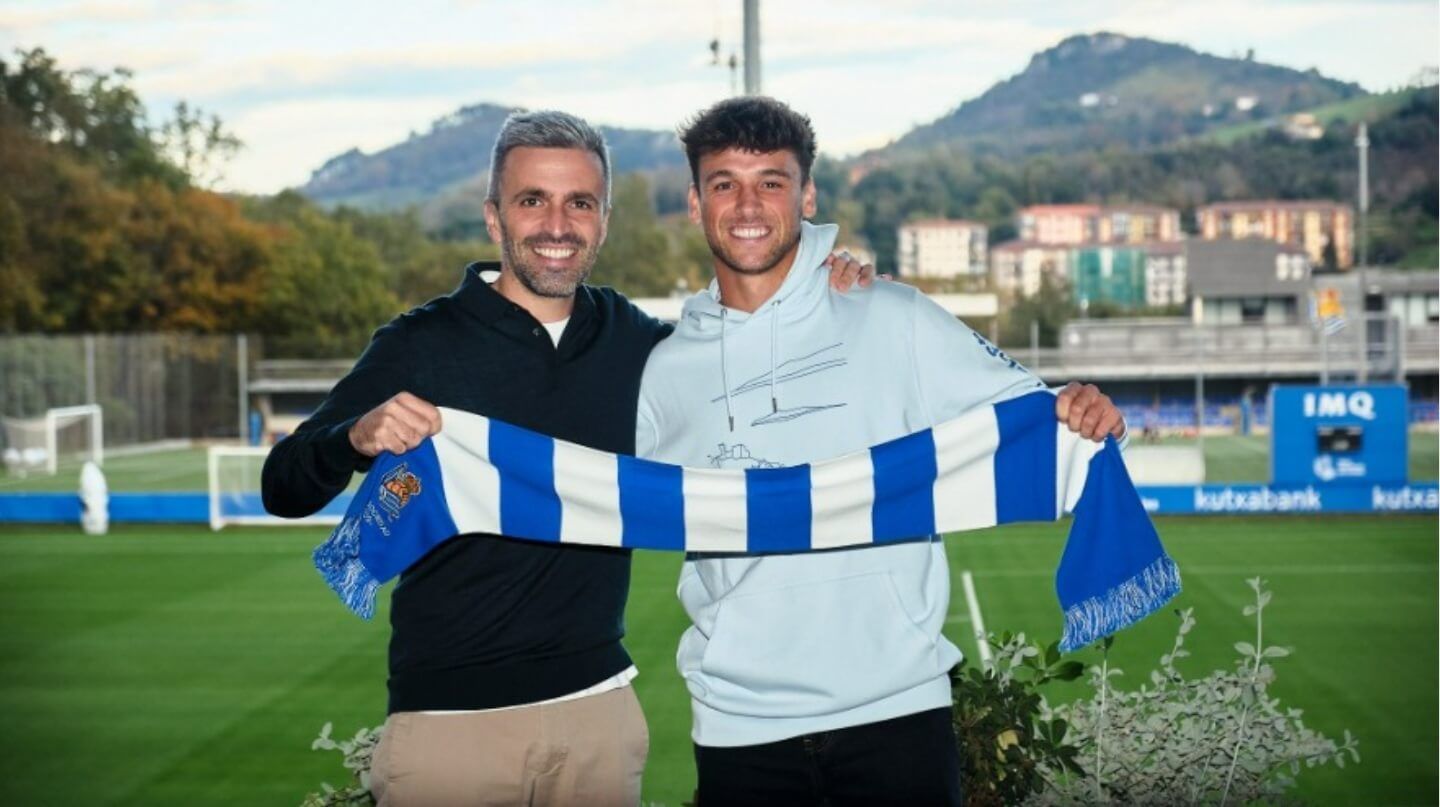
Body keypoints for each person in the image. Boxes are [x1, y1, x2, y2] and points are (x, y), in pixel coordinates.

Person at [260, 109, 872, 807]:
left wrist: (830, 298)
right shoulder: (419, 343)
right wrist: (354, 435)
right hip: (450, 725)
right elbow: (283, 486)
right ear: (495, 217)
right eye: (532, 201)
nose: (557, 224)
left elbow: (756, 375)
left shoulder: (636, 342)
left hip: (598, 719)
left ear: (604, 219)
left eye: (579, 202)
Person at [635, 96, 1124, 807]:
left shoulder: (894, 317)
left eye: (771, 182)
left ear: (807, 195)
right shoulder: (662, 369)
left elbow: (1041, 416)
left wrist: (1091, 415)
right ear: (693, 201)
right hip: (740, 728)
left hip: (896, 715)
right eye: (724, 183)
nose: (748, 204)